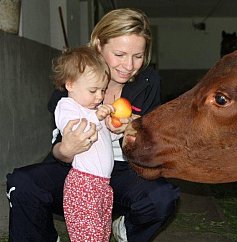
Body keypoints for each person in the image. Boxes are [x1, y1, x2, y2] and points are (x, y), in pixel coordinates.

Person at [6, 8, 180, 242]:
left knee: (163, 198)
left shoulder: (148, 83)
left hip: (123, 172)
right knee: (22, 183)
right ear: (99, 44)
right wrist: (66, 150)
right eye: (119, 54)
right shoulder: (76, 78)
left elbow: (153, 146)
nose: (129, 65)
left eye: (138, 56)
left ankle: (125, 230)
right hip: (77, 172)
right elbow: (58, 146)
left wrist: (133, 131)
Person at [53, 46, 120, 241]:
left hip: (103, 185)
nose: (99, 97)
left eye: (103, 90)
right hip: (84, 185)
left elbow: (105, 139)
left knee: (101, 234)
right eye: (93, 90)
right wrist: (98, 119)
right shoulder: (67, 106)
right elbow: (75, 132)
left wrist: (114, 128)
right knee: (88, 236)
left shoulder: (93, 110)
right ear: (70, 84)